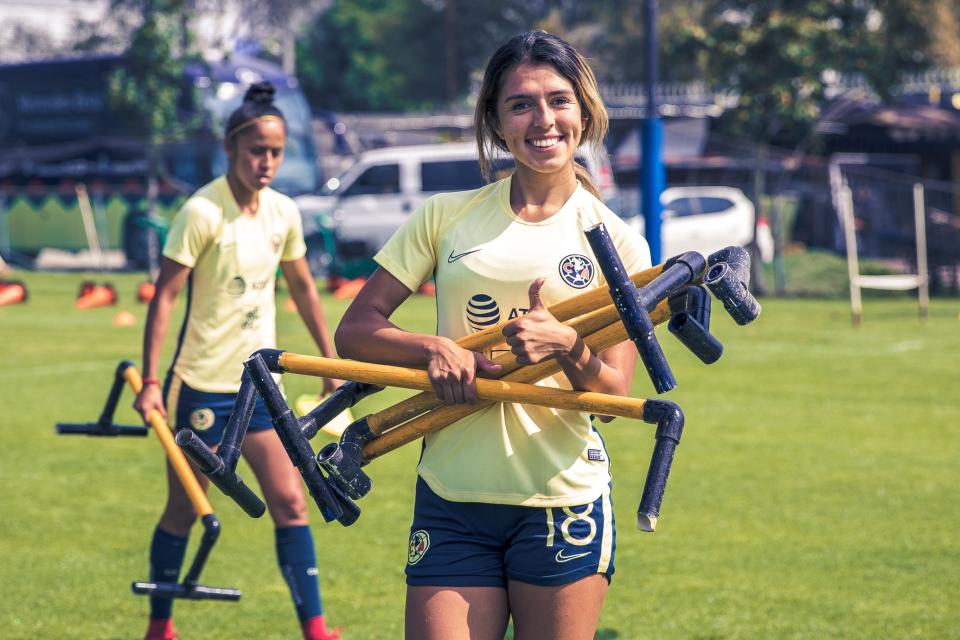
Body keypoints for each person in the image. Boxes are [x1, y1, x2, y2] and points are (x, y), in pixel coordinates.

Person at [335, 31, 651, 640]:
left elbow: (614, 393)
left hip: (561, 501)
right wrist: (433, 348)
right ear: (496, 121)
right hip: (453, 496)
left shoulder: (617, 242)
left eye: (559, 100)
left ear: (584, 111)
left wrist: (567, 345)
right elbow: (356, 331)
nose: (543, 120)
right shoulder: (444, 216)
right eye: (521, 104)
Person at [133, 82, 341, 640]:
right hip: (201, 389)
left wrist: (327, 360)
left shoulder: (284, 212)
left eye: (276, 151)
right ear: (230, 149)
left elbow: (302, 289)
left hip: (258, 392)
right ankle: (160, 625)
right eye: (256, 150)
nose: (267, 161)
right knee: (186, 509)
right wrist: (152, 381)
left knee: (292, 501)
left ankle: (316, 628)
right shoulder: (201, 211)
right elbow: (165, 297)